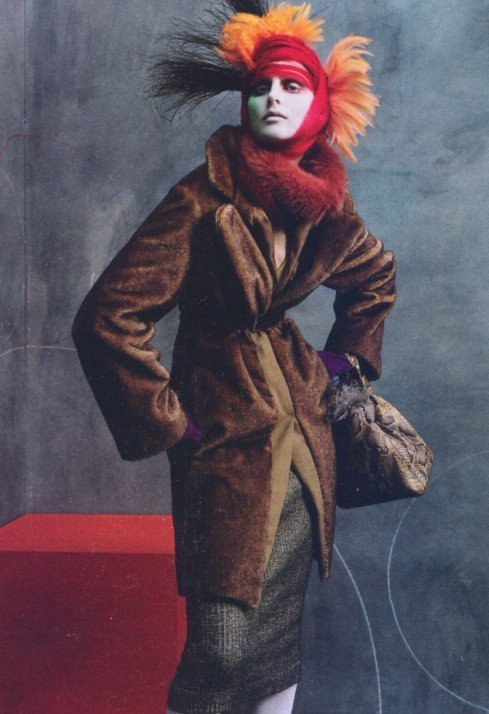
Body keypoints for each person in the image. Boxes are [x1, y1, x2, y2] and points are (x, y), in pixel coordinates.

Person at [71, 2, 397, 712]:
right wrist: (172, 423)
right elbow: (107, 318)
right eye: (260, 87)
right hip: (224, 439)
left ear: (320, 104)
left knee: (275, 641)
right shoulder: (201, 197)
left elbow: (375, 276)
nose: (272, 98)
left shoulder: (325, 204)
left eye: (290, 86)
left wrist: (346, 362)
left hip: (304, 441)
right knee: (219, 650)